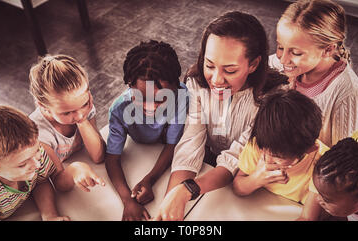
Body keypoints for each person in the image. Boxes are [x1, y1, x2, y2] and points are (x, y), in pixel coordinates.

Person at [154, 11, 287, 221]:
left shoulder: (273, 99)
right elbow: (190, 144)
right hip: (211, 166)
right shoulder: (196, 84)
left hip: (248, 179)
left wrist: (186, 190)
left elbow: (235, 158)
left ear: (253, 65)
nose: (216, 79)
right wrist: (169, 204)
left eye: (230, 70)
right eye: (209, 65)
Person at [105, 40, 187, 221]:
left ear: (175, 87)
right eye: (139, 98)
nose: (149, 108)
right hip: (141, 153)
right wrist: (128, 200)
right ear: (129, 86)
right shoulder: (120, 109)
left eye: (159, 100)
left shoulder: (181, 98)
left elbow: (172, 145)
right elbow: (112, 158)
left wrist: (150, 179)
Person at [269, 0, 358, 147]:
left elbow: (342, 157)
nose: (283, 59)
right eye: (280, 47)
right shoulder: (281, 64)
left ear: (328, 50)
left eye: (296, 53)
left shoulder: (349, 92)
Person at [0, 105, 70, 221]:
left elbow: (41, 181)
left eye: (37, 150)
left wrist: (50, 216)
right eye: (22, 165)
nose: (37, 165)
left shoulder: (33, 155)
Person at [233, 89, 329, 211]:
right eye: (264, 150)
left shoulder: (322, 166)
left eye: (278, 157)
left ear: (310, 150)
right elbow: (237, 188)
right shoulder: (259, 143)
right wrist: (257, 178)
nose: (267, 158)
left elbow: (309, 216)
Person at [29, 54, 105, 192]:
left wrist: (82, 122)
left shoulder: (82, 109)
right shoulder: (39, 133)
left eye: (85, 104)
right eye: (67, 113)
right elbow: (58, 183)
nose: (79, 114)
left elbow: (99, 156)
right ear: (42, 106)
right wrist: (75, 170)